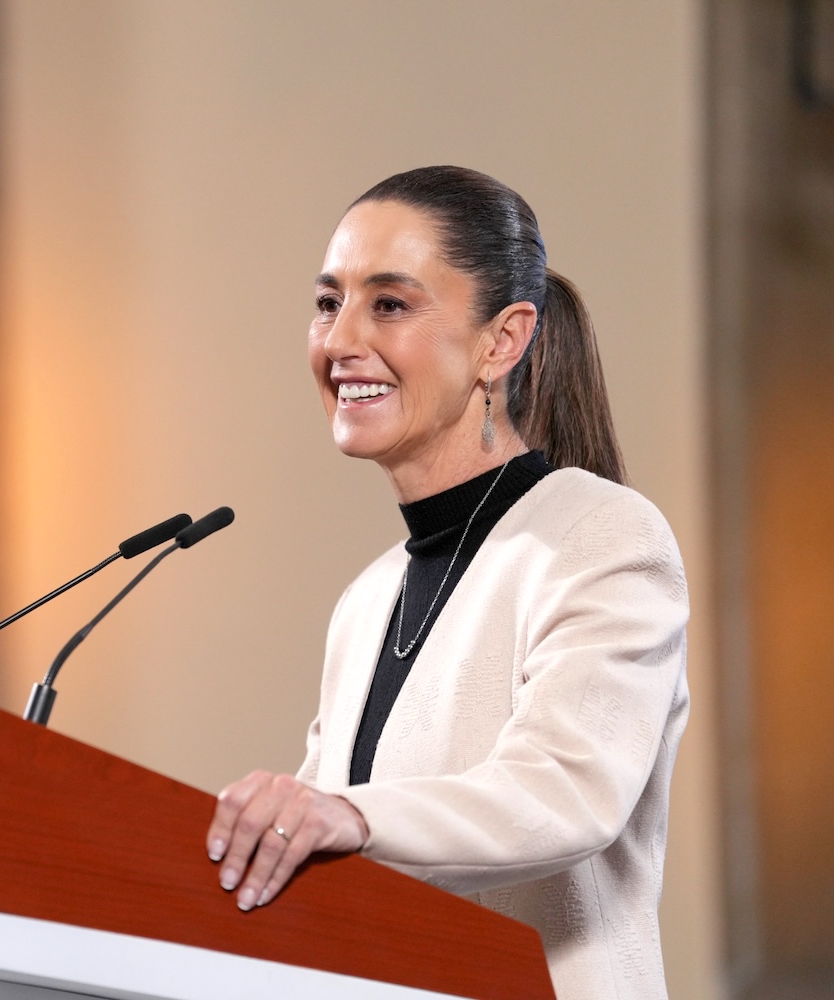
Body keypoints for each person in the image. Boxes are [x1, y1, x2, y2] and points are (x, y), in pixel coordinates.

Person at [205, 166, 689, 1000]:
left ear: (501, 342)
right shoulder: (367, 601)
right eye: (328, 302)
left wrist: (347, 816)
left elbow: (567, 790)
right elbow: (321, 859)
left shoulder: (602, 534)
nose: (340, 340)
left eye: (389, 304)